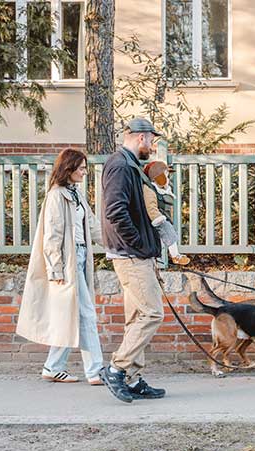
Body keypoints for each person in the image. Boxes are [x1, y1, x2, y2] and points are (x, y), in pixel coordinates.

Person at [16, 148, 104, 386]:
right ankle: (96, 370)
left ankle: (52, 367)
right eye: (82, 168)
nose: (85, 172)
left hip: (82, 256)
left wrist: (117, 244)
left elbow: (93, 226)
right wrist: (56, 269)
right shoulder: (56, 196)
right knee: (86, 313)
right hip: (67, 261)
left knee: (71, 315)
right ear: (70, 168)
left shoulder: (75, 194)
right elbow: (52, 236)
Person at [98, 118, 168, 403]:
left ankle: (132, 378)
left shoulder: (128, 165)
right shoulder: (122, 166)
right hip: (130, 254)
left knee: (137, 317)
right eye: (152, 140)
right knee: (153, 313)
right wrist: (139, 245)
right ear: (141, 138)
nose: (153, 146)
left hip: (133, 253)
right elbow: (115, 211)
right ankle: (116, 369)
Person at [143, 160, 190, 266]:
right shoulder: (149, 190)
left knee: (170, 234)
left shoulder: (160, 190)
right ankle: (175, 256)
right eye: (166, 177)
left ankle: (172, 254)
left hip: (162, 218)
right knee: (168, 232)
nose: (168, 180)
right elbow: (150, 207)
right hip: (156, 220)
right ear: (159, 177)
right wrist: (158, 218)